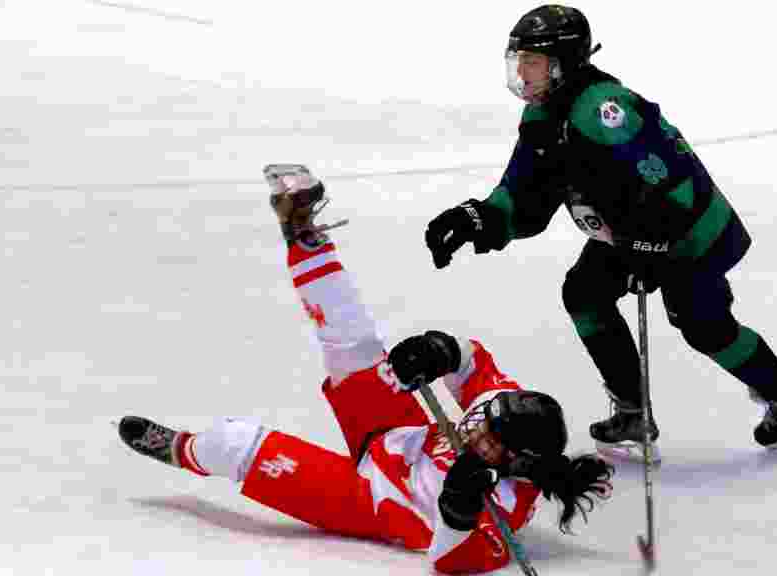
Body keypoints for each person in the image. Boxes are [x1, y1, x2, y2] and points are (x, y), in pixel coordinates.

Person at [117, 164, 615, 574]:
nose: (475, 427)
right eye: (483, 420)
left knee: (232, 443)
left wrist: (459, 506)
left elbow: (448, 560)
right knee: (351, 337)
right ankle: (302, 230)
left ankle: (182, 449)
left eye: (487, 438)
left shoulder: (506, 506)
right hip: (395, 430)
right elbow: (473, 361)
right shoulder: (501, 407)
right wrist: (437, 351)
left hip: (367, 497)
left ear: (517, 461)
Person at [423, 5, 777, 455]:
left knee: (703, 325)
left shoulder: (605, 111)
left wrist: (653, 242)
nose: (522, 73)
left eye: (533, 62)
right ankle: (633, 412)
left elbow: (669, 181)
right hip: (628, 235)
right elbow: (524, 195)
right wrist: (478, 219)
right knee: (585, 294)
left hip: (688, 234)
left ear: (564, 63)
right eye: (519, 60)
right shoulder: (542, 117)